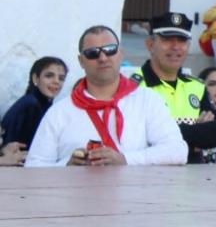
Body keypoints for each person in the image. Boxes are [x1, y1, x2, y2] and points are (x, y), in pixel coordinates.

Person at [25, 27, 187, 167]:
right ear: (81, 61)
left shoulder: (147, 100)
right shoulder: (59, 111)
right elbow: (33, 166)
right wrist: (66, 165)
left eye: (110, 50)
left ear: (120, 54)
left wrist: (125, 159)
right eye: (92, 53)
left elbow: (177, 151)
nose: (102, 58)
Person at [134, 12, 216, 163]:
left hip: (192, 180)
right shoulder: (133, 86)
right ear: (150, 45)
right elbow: (138, 137)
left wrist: (167, 139)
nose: (176, 47)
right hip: (150, 177)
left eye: (182, 40)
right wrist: (195, 138)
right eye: (167, 40)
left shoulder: (196, 87)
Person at [1, 56, 67, 152]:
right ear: (35, 78)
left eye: (61, 78)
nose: (56, 81)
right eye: (49, 76)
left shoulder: (38, 103)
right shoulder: (31, 105)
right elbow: (27, 148)